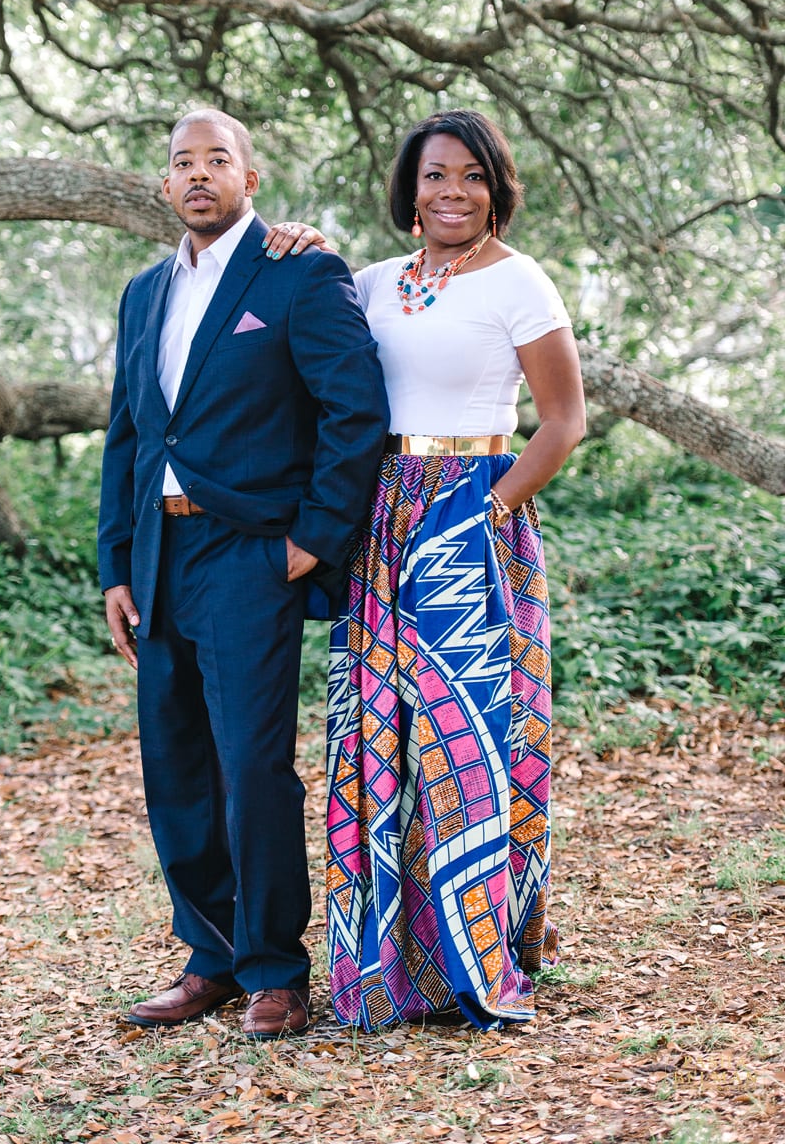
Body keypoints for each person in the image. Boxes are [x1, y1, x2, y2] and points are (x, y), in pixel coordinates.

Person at [265, 108, 586, 1031]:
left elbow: (563, 422)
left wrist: (486, 510)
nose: (455, 192)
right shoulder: (369, 282)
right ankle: (386, 968)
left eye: (473, 176)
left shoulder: (521, 283)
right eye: (437, 176)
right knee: (381, 741)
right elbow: (313, 336)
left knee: (473, 741)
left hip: (474, 519)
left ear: (498, 188)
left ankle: (475, 958)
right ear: (410, 191)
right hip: (378, 518)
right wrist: (300, 243)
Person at [97, 109, 388, 1040]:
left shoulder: (300, 272)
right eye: (182, 162)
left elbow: (357, 411)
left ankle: (276, 970)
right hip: (159, 557)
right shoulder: (143, 294)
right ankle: (211, 958)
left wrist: (312, 538)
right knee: (175, 764)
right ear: (164, 183)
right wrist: (115, 565)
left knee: (254, 766)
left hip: (250, 555)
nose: (198, 175)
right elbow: (130, 439)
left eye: (217, 159)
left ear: (250, 179)